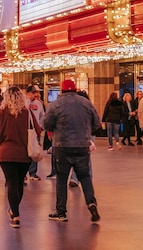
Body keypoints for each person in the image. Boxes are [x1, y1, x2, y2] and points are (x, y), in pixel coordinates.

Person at [43, 79, 101, 223]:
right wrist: (86, 133)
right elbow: (97, 123)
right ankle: (91, 202)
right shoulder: (86, 103)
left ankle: (61, 212)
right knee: (85, 177)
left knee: (62, 179)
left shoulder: (55, 105)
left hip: (62, 147)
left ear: (62, 90)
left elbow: (46, 124)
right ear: (75, 89)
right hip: (82, 146)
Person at [0, 87, 34, 228]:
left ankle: (16, 214)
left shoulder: (1, 113)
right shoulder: (27, 113)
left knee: (11, 182)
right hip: (24, 154)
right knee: (19, 183)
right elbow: (37, 129)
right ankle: (14, 210)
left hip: (6, 154)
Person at [25, 85, 45, 179]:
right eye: (33, 93)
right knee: (25, 151)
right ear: (28, 93)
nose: (36, 94)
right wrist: (28, 100)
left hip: (35, 131)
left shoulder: (39, 103)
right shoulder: (24, 102)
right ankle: (24, 173)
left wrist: (40, 126)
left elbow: (42, 116)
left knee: (35, 151)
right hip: (25, 131)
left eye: (36, 92)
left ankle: (33, 172)